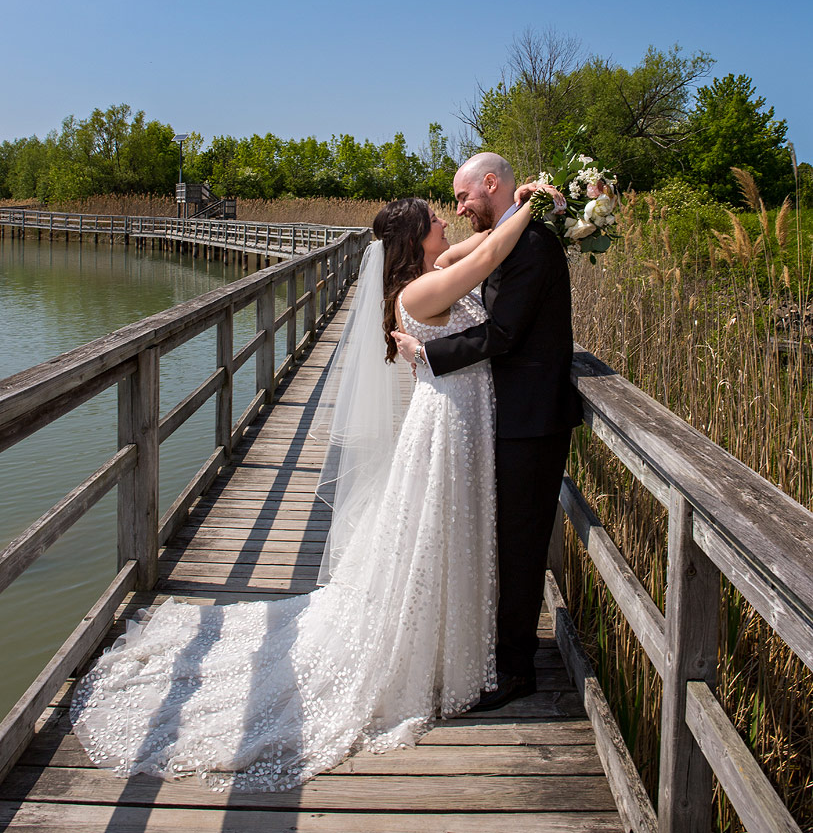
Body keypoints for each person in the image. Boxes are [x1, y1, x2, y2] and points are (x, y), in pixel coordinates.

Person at [70, 185, 544, 793]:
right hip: (447, 423)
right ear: (414, 240)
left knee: (448, 526)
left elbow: (479, 244)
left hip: (463, 413)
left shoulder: (436, 269)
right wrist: (544, 204)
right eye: (435, 222)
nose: (447, 228)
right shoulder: (422, 289)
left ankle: (450, 637)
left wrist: (514, 205)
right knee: (438, 524)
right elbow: (484, 259)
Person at [393, 152, 583, 711]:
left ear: (491, 185)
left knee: (521, 543)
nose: (458, 209)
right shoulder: (506, 237)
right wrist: (530, 207)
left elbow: (501, 333)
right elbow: (467, 259)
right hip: (504, 413)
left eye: (463, 197)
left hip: (531, 419)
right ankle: (498, 651)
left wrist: (428, 354)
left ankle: (516, 667)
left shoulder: (531, 245)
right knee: (502, 538)